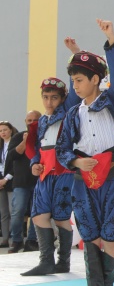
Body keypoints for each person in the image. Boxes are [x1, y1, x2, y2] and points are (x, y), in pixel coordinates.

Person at [56, 19, 114, 286]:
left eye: (79, 81)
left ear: (96, 80)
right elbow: (63, 148)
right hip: (83, 181)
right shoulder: (73, 113)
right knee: (90, 236)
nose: (74, 86)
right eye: (73, 80)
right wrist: (76, 160)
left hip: (113, 176)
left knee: (111, 237)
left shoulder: (113, 101)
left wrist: (111, 38)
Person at [20, 39, 82, 273]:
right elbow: (36, 148)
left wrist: (76, 53)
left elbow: (73, 86)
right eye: (46, 97)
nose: (49, 102)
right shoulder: (42, 121)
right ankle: (46, 260)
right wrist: (35, 163)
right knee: (38, 216)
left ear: (62, 98)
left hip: (64, 172)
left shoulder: (68, 111)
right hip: (45, 174)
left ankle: (63, 262)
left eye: (54, 97)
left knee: (61, 218)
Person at [4, 111, 41, 254]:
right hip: (20, 182)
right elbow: (12, 156)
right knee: (17, 212)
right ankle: (17, 241)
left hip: (39, 181)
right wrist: (26, 142)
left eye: (35, 120)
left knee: (36, 213)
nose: (32, 123)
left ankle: (31, 241)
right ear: (25, 121)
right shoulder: (18, 137)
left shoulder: (44, 137)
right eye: (29, 120)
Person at [0, 121, 19, 247]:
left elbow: (15, 165)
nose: (3, 133)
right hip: (0, 181)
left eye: (5, 130)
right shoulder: (0, 146)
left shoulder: (15, 143)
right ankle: (5, 239)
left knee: (14, 210)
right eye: (1, 131)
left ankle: (16, 238)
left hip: (12, 180)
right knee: (3, 212)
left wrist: (6, 179)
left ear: (11, 130)